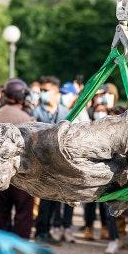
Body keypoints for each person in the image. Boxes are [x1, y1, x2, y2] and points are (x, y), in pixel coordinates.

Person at [0, 78, 35, 239]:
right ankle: (19, 250)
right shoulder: (25, 118)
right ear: (20, 96)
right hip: (19, 173)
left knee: (0, 210)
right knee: (23, 212)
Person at [32, 76, 74, 244]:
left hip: (60, 163)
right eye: (41, 90)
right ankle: (41, 232)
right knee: (44, 200)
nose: (42, 94)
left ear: (56, 92)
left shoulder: (67, 113)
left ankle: (49, 231)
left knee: (55, 200)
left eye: (46, 90)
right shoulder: (36, 112)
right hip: (41, 163)